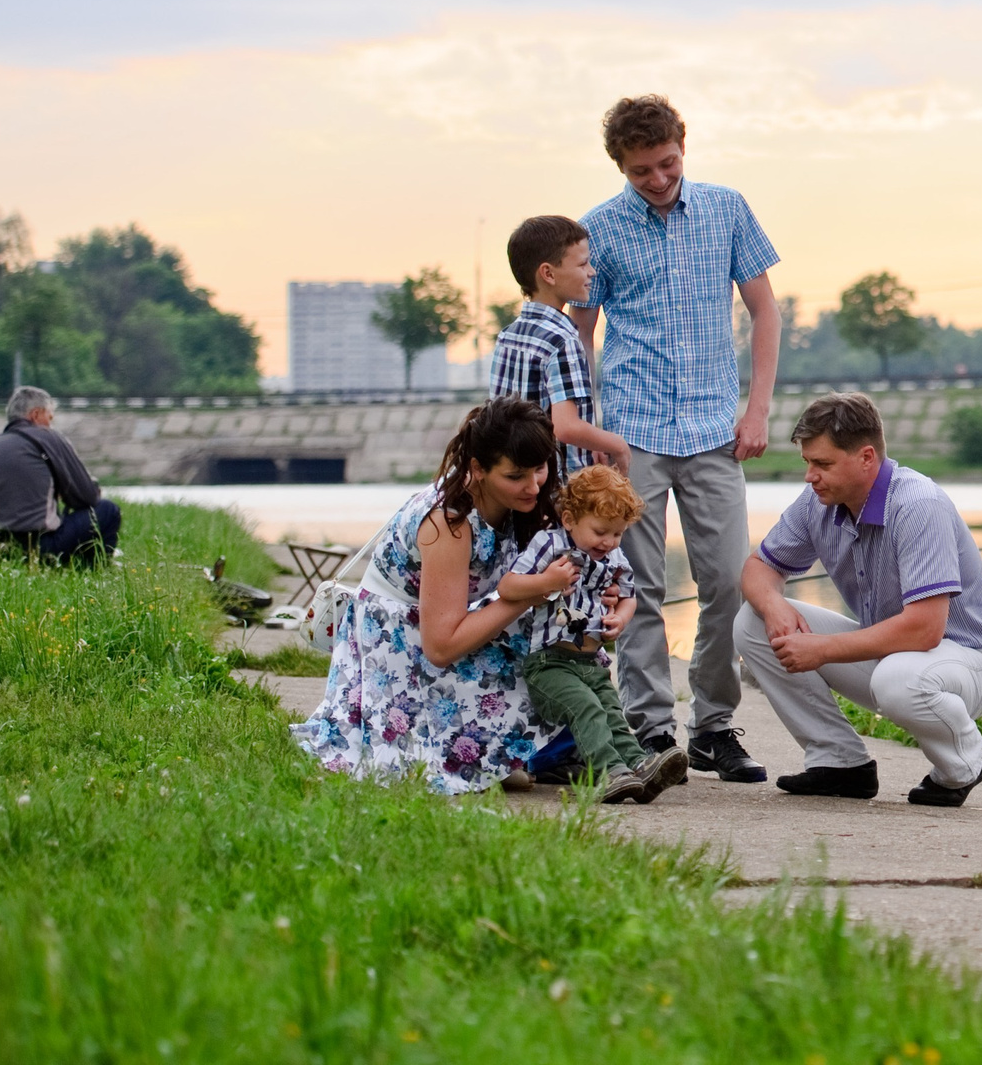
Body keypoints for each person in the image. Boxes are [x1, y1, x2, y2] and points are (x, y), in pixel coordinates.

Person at [572, 94, 783, 785]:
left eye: (667, 164)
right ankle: (651, 727)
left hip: (715, 430)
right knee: (635, 585)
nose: (658, 180)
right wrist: (589, 427)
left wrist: (757, 411)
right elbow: (581, 333)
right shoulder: (598, 229)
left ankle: (714, 727)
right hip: (630, 434)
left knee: (726, 582)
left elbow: (764, 310)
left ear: (682, 147)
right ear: (620, 167)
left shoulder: (727, 209)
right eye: (642, 172)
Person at [292, 397, 592, 795]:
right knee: (533, 648)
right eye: (515, 476)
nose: (533, 486)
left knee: (571, 642)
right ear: (478, 469)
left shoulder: (514, 500)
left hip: (445, 621)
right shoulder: (448, 522)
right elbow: (440, 646)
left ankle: (510, 755)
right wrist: (532, 592)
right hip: (400, 642)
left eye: (540, 469)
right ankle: (493, 755)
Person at [736, 392, 982, 807]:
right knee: (752, 621)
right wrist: (775, 606)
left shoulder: (918, 504)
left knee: (897, 680)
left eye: (823, 464)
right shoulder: (817, 502)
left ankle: (963, 765)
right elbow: (758, 567)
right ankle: (839, 762)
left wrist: (821, 649)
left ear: (866, 457)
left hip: (968, 662)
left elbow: (925, 630)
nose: (810, 476)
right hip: (894, 656)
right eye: (807, 462)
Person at [497, 464, 670, 802]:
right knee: (588, 708)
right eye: (601, 531)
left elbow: (629, 595)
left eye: (618, 534)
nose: (609, 542)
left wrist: (620, 618)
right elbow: (508, 586)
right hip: (550, 663)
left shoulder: (614, 556)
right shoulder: (550, 545)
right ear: (569, 520)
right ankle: (608, 773)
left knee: (613, 713)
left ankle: (639, 767)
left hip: (591, 663)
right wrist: (547, 582)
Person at [491, 215, 630, 475]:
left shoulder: (508, 336)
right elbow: (566, 427)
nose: (592, 271)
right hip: (559, 481)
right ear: (548, 274)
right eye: (583, 264)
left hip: (521, 480)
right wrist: (617, 445)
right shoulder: (563, 340)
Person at [0, 386, 119, 564]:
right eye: (50, 417)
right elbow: (87, 497)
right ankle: (91, 569)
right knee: (107, 510)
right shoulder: (48, 437)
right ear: (36, 414)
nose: (50, 424)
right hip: (35, 545)